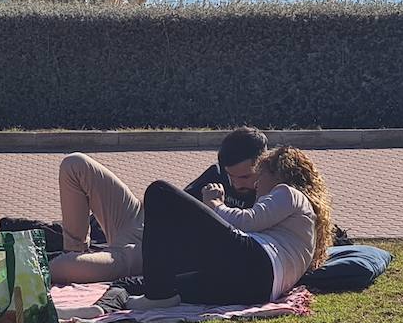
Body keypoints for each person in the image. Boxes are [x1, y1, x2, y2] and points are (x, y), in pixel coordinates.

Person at [50, 128, 271, 285]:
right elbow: (174, 200)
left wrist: (215, 206)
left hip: (152, 251)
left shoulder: (270, 196)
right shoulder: (216, 175)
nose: (235, 183)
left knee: (60, 268)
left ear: (264, 164)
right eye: (229, 176)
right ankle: (74, 248)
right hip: (140, 221)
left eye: (244, 176)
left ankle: (67, 264)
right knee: (74, 164)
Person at [126, 146, 332, 309]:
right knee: (169, 286)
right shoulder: (304, 222)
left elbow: (247, 221)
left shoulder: (289, 193)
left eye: (260, 177)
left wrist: (215, 204)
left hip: (256, 264)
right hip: (255, 289)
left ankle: (157, 295)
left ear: (277, 174)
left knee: (159, 191)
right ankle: (122, 301)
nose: (256, 185)